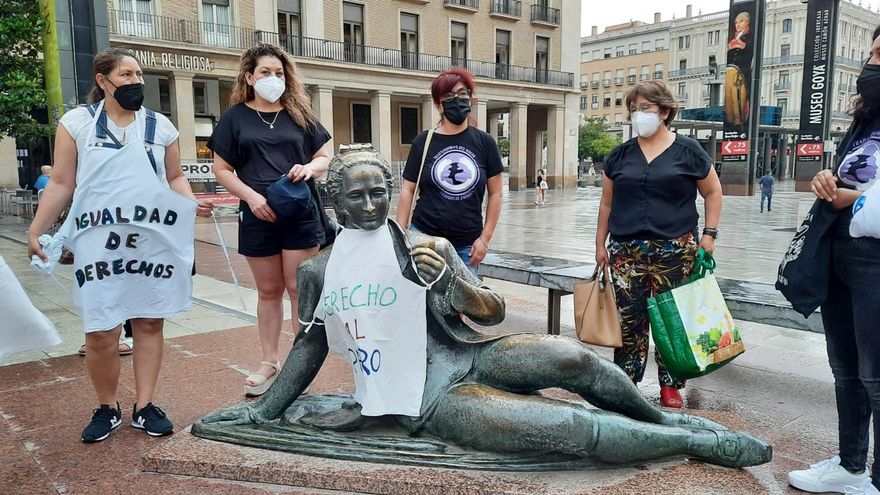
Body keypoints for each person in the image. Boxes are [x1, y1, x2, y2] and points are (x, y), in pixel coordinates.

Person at [197, 145, 771, 469]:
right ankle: (695, 441)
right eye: (357, 195)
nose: (372, 204)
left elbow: (491, 311)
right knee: (570, 428)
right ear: (334, 202)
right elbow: (309, 347)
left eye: (379, 192)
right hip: (429, 399)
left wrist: (449, 279)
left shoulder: (427, 245)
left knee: (575, 361)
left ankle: (661, 418)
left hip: (474, 354)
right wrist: (265, 411)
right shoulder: (321, 269)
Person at [27, 47, 213, 443]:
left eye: (139, 75)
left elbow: (175, 176)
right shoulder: (76, 123)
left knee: (149, 320)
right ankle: (106, 406)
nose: (136, 82)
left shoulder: (160, 126)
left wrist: (191, 204)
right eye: (126, 75)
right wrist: (36, 229)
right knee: (101, 328)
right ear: (103, 81)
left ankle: (145, 405)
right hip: (99, 240)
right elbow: (62, 183)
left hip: (151, 238)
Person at [208, 44, 331, 397]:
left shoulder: (299, 114)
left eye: (278, 73)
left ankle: (299, 362)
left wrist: (309, 167)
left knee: (298, 289)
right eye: (265, 72)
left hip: (299, 212)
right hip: (257, 212)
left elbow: (324, 157)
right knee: (268, 291)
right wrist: (250, 196)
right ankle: (269, 360)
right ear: (249, 77)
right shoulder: (234, 118)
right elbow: (222, 169)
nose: (272, 78)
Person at [788, 26, 880, 495]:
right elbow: (848, 174)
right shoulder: (866, 121)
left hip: (876, 260)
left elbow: (865, 192)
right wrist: (827, 179)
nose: (871, 65)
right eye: (872, 53)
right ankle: (849, 465)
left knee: (877, 373)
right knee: (846, 368)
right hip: (840, 250)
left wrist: (858, 198)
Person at [595, 80, 723, 409]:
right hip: (626, 251)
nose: (639, 115)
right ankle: (626, 380)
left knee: (671, 318)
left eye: (646, 109)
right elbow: (606, 204)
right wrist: (599, 245)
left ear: (664, 112)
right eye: (635, 109)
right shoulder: (619, 155)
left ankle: (671, 384)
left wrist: (709, 235)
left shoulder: (688, 150)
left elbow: (713, 192)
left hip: (676, 250)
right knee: (629, 320)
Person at [395, 68, 503, 272]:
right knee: (421, 303)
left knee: (461, 304)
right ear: (438, 105)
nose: (457, 100)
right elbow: (408, 190)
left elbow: (496, 193)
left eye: (462, 94)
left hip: (466, 247)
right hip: (423, 241)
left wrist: (485, 239)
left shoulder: (485, 142)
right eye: (448, 96)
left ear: (471, 98)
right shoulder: (423, 142)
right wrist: (401, 236)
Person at [724, 11, 753, 132]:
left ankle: (739, 122)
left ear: (747, 22)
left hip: (742, 74)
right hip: (730, 74)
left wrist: (738, 44)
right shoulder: (733, 37)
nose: (738, 24)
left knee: (740, 100)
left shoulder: (749, 37)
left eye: (741, 21)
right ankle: (732, 121)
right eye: (736, 22)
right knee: (730, 98)